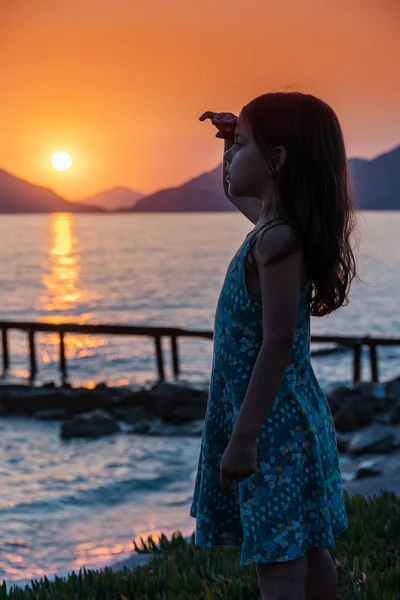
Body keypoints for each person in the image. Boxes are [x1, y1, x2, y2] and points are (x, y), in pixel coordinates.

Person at [189, 92, 357, 600]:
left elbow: (278, 341)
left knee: (277, 560)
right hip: (288, 420)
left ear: (278, 159)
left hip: (272, 428)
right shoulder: (274, 229)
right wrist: (228, 146)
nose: (233, 158)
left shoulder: (277, 240)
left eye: (242, 146)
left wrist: (244, 437)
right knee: (306, 547)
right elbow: (233, 189)